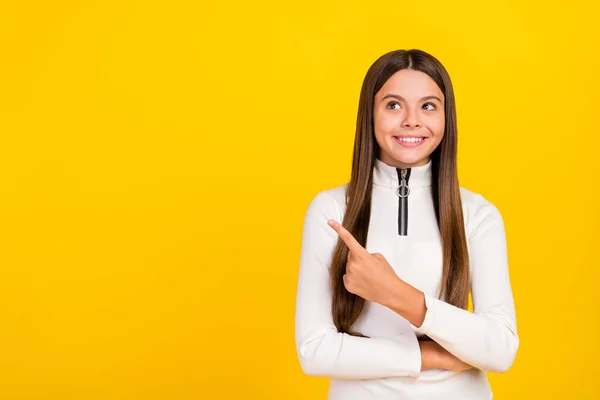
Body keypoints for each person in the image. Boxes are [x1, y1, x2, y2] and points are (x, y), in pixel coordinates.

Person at [294, 49, 519, 400]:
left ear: (447, 117)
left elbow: (501, 349)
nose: (412, 120)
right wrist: (427, 356)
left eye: (428, 106)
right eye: (394, 105)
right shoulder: (333, 208)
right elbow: (315, 350)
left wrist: (396, 294)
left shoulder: (477, 214)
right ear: (370, 114)